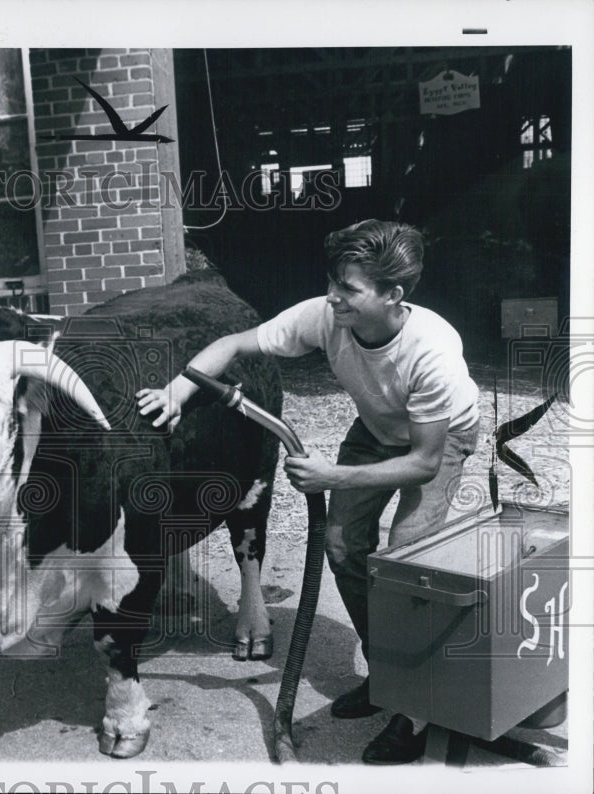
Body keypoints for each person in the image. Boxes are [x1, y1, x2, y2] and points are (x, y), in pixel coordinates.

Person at [136, 219, 479, 764]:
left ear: (393, 295)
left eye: (349, 288)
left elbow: (423, 462)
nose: (333, 296)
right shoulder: (326, 317)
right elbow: (232, 343)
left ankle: (418, 712)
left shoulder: (431, 352)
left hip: (436, 440)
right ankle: (387, 674)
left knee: (407, 567)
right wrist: (178, 390)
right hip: (378, 430)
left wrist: (333, 477)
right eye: (333, 282)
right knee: (342, 548)